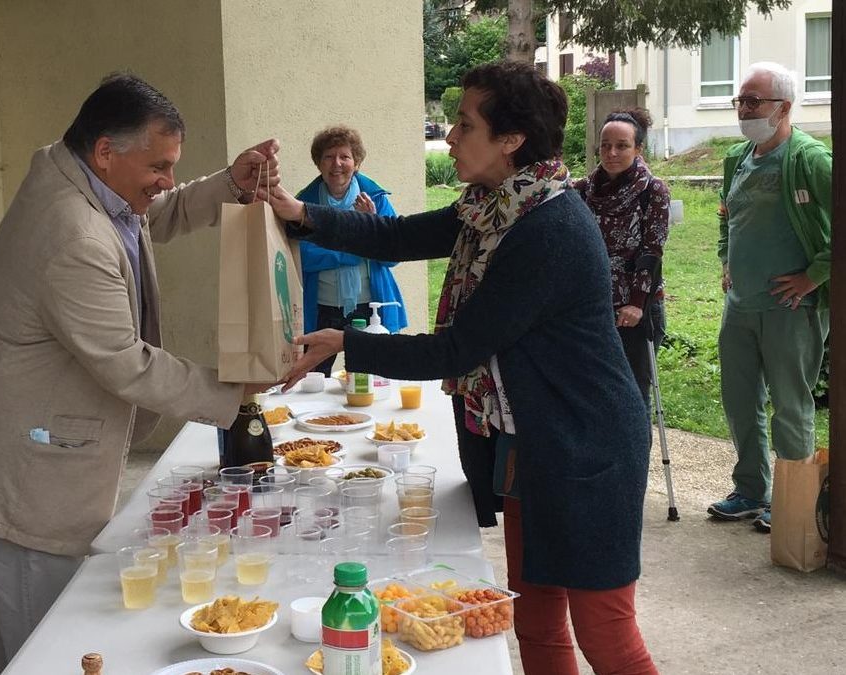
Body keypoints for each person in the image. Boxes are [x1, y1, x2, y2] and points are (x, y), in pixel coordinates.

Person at [266, 61, 657, 675]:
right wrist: (303, 213)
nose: (449, 136)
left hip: (588, 448)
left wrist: (347, 342)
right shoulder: (494, 206)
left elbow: (457, 349)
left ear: (511, 140)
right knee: (534, 617)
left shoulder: (546, 229)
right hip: (538, 444)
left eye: (464, 124)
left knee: (605, 631)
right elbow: (397, 237)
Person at [0, 73, 279, 674]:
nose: (166, 180)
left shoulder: (91, 185)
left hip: (36, 447)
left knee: (22, 633)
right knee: (45, 644)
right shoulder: (70, 234)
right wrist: (237, 390)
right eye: (160, 164)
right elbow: (125, 363)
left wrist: (230, 183)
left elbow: (155, 214)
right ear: (105, 150)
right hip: (27, 471)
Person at [707, 62, 832, 533]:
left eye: (753, 101)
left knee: (790, 406)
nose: (744, 109)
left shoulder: (810, 159)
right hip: (739, 306)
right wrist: (725, 260)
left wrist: (813, 277)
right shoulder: (737, 158)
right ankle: (750, 490)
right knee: (740, 402)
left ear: (784, 108)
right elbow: (727, 216)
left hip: (789, 309)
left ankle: (792, 500)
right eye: (740, 100)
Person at [574, 108, 670, 405]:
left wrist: (636, 304)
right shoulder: (583, 190)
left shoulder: (653, 191)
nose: (612, 152)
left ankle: (636, 452)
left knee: (632, 393)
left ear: (638, 149)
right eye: (605, 145)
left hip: (636, 308)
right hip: (595, 304)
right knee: (592, 390)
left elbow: (651, 251)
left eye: (622, 146)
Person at [297, 125, 407, 375]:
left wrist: (371, 224)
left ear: (356, 163)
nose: (337, 163)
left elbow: (393, 255)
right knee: (312, 379)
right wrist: (359, 244)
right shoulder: (303, 203)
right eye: (328, 156)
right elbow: (303, 256)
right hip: (321, 308)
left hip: (369, 307)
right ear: (319, 163)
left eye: (344, 156)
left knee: (370, 380)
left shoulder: (376, 200)